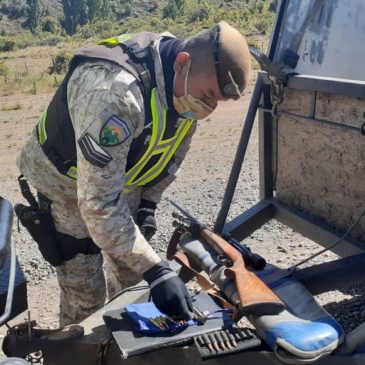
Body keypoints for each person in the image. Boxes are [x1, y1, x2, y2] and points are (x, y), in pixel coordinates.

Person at [17, 21, 251, 327]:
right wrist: (159, 271)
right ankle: (73, 352)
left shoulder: (183, 83)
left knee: (133, 283)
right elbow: (98, 204)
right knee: (85, 294)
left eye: (216, 101)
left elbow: (170, 155)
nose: (208, 108)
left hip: (115, 178)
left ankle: (119, 349)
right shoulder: (114, 95)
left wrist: (148, 204)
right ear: (182, 63)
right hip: (64, 184)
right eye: (208, 95)